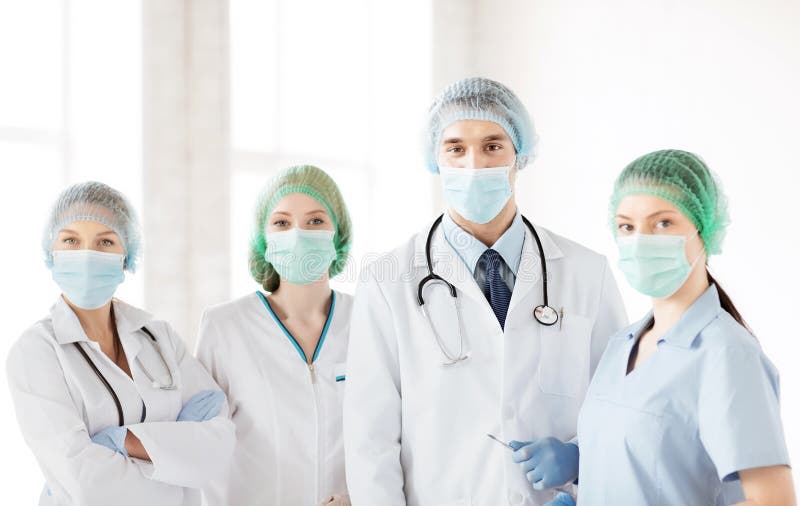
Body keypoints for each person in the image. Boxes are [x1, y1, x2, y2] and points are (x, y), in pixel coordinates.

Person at [343, 77, 628, 505]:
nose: (474, 164)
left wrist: (582, 459)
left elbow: (620, 407)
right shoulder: (387, 280)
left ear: (521, 154)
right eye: (455, 148)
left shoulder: (588, 273)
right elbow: (370, 438)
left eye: (493, 146)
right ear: (434, 159)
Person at [531, 149, 795, 504]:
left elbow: (773, 500)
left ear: (705, 228)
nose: (642, 239)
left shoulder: (726, 354)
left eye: (663, 223)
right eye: (627, 226)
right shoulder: (622, 344)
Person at [6, 181, 235, 505]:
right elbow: (85, 484)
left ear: (126, 255)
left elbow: (218, 444)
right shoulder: (36, 352)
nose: (87, 255)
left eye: (105, 241)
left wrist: (119, 441)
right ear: (51, 252)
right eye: (71, 240)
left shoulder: (158, 336)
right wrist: (176, 471)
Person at [196, 165, 354, 506]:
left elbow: (394, 438)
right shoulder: (225, 327)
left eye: (315, 221)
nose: (298, 234)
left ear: (339, 233)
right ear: (262, 238)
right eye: (281, 223)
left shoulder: (369, 321)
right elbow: (203, 447)